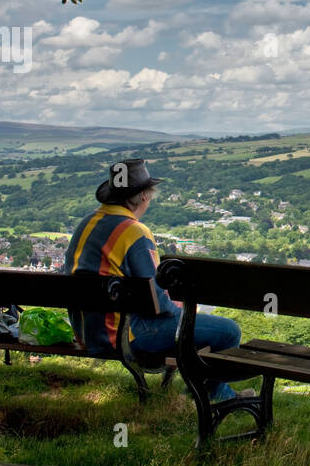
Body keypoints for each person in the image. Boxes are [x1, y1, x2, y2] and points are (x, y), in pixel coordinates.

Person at [63, 158, 253, 401]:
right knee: (228, 331)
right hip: (121, 335)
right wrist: (183, 310)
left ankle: (212, 393)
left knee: (194, 325)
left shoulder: (87, 222)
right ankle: (215, 395)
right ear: (144, 196)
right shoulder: (133, 231)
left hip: (86, 331)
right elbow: (156, 300)